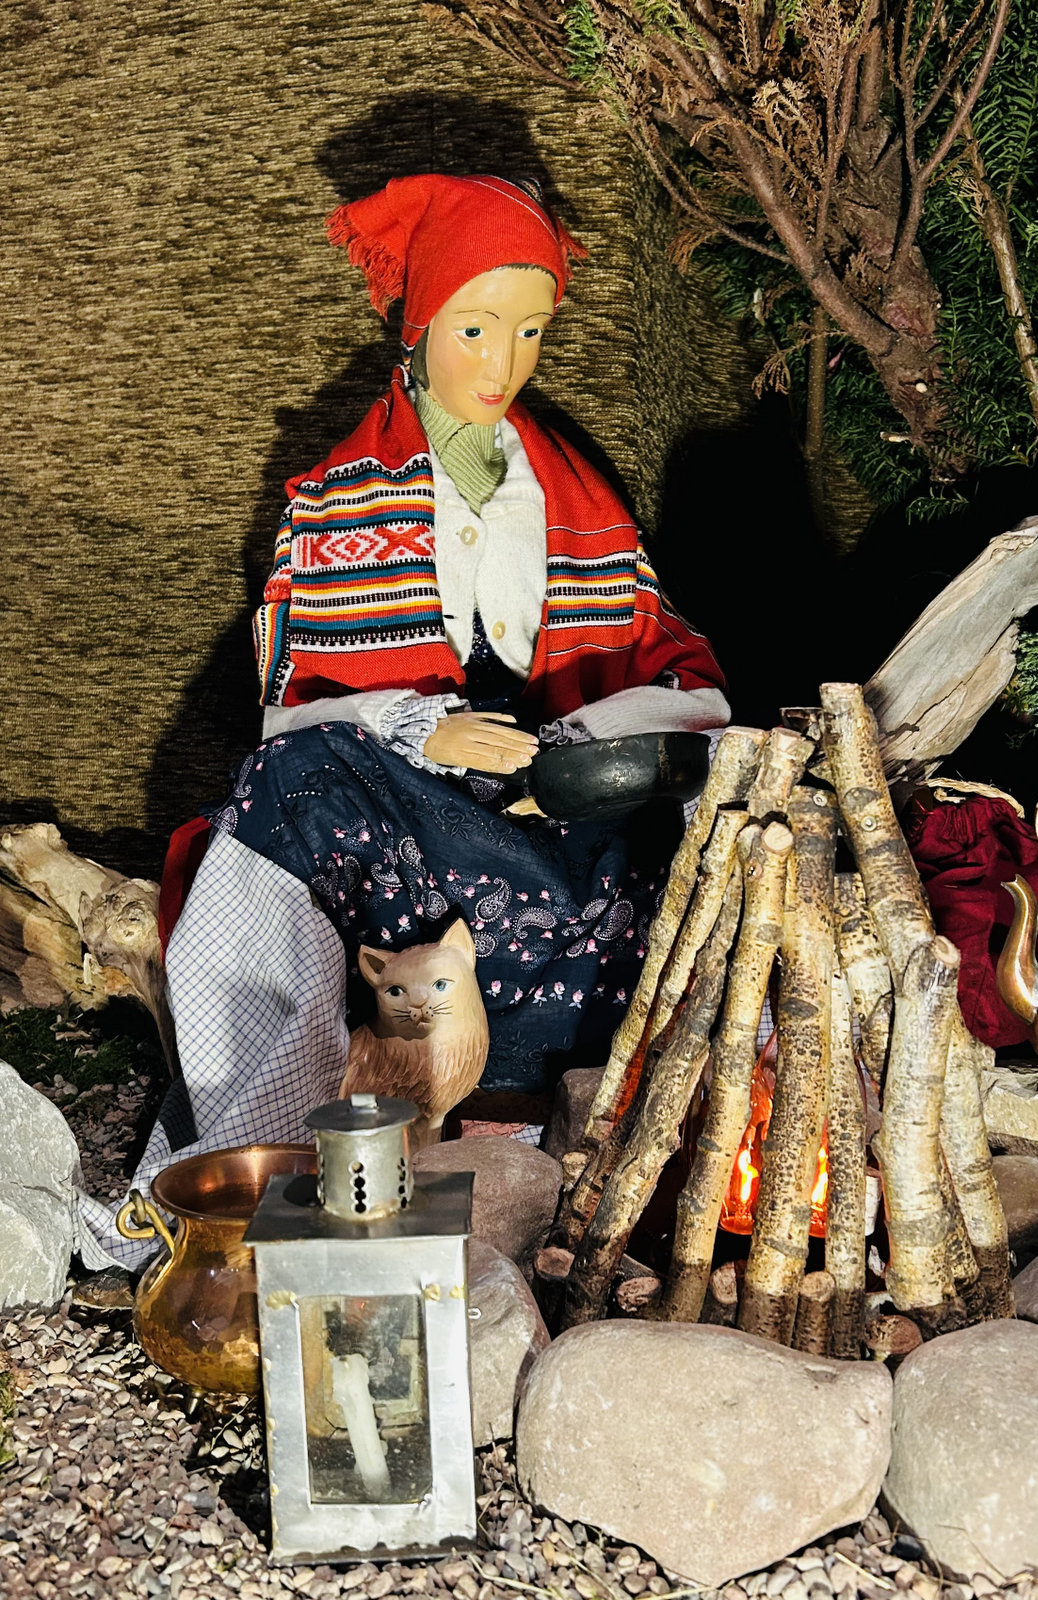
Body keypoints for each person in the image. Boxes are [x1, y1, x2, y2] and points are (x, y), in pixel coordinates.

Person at [78, 174, 728, 1269]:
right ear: (420, 322)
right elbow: (291, 709)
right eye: (475, 327)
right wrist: (419, 730)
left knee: (703, 811)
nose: (502, 361)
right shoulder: (336, 496)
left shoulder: (574, 493)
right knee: (288, 789)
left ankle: (579, 1137)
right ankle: (272, 1142)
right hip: (403, 800)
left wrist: (581, 753)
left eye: (530, 330)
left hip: (550, 802)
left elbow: (673, 667)